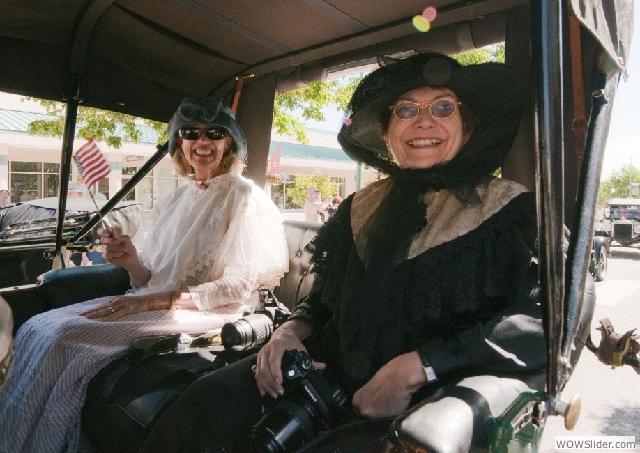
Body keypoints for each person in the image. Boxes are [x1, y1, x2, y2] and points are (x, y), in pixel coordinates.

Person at [139, 52, 546, 453]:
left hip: (432, 398)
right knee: (201, 406)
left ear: (468, 127)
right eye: (405, 110)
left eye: (443, 107)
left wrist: (419, 366)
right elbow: (324, 301)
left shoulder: (510, 210)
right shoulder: (361, 206)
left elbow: (548, 316)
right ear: (387, 134)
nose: (424, 120)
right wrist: (287, 332)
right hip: (321, 375)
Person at [0, 97, 289, 453]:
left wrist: (149, 301)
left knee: (63, 337)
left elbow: (235, 287)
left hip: (207, 311)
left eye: (214, 133)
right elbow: (147, 275)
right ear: (179, 141)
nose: (202, 142)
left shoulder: (245, 197)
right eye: (190, 133)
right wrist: (130, 260)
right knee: (37, 327)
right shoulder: (173, 199)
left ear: (228, 142)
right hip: (152, 301)